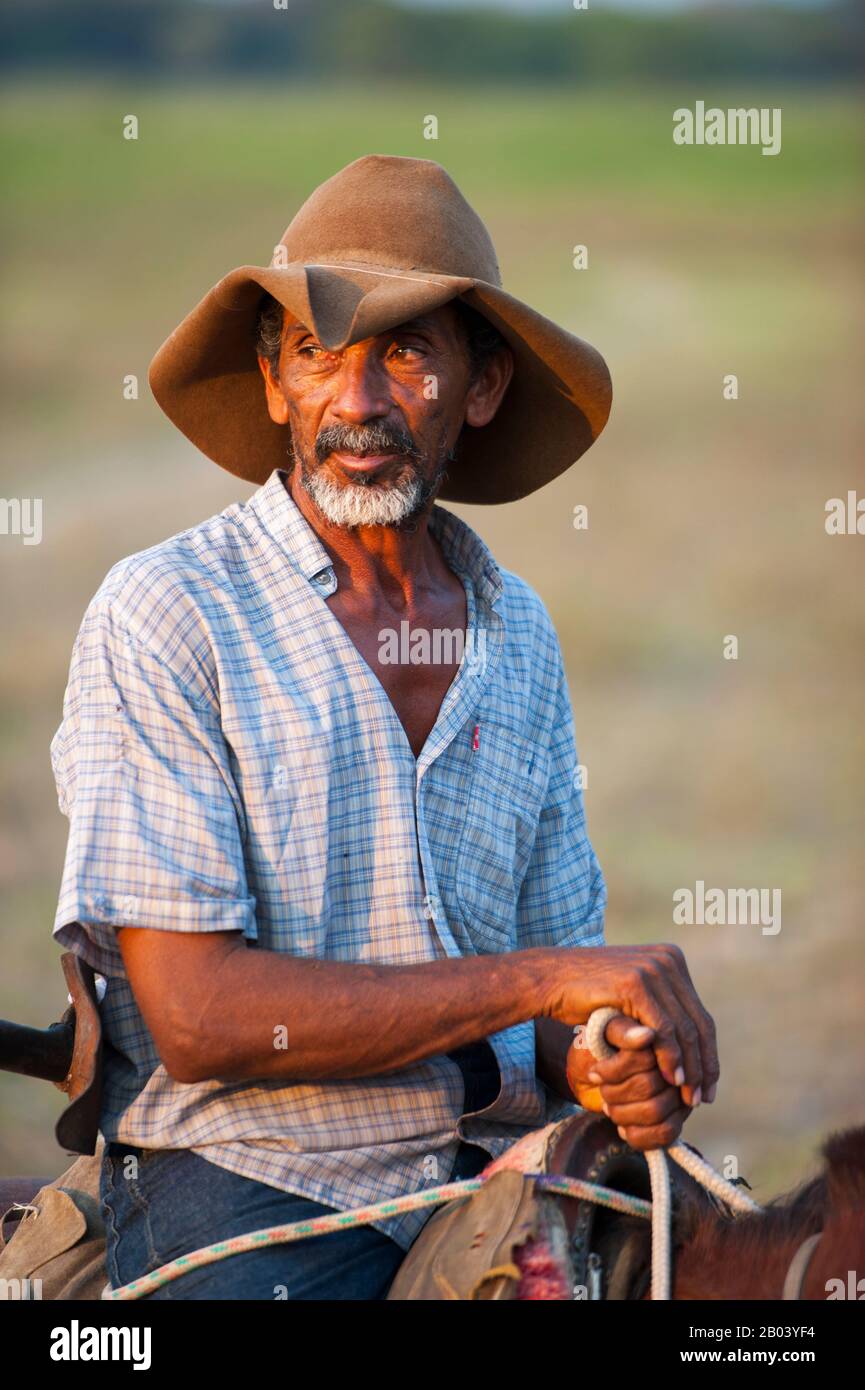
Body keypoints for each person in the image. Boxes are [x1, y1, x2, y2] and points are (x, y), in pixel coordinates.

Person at [50, 154, 718, 1299]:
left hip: (488, 1176)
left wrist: (606, 1060)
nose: (356, 404)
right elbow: (200, 1017)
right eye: (317, 353)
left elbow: (557, 1017)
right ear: (274, 385)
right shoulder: (169, 612)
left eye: (405, 354)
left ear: (484, 387)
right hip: (250, 1184)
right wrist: (548, 980)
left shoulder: (519, 634)